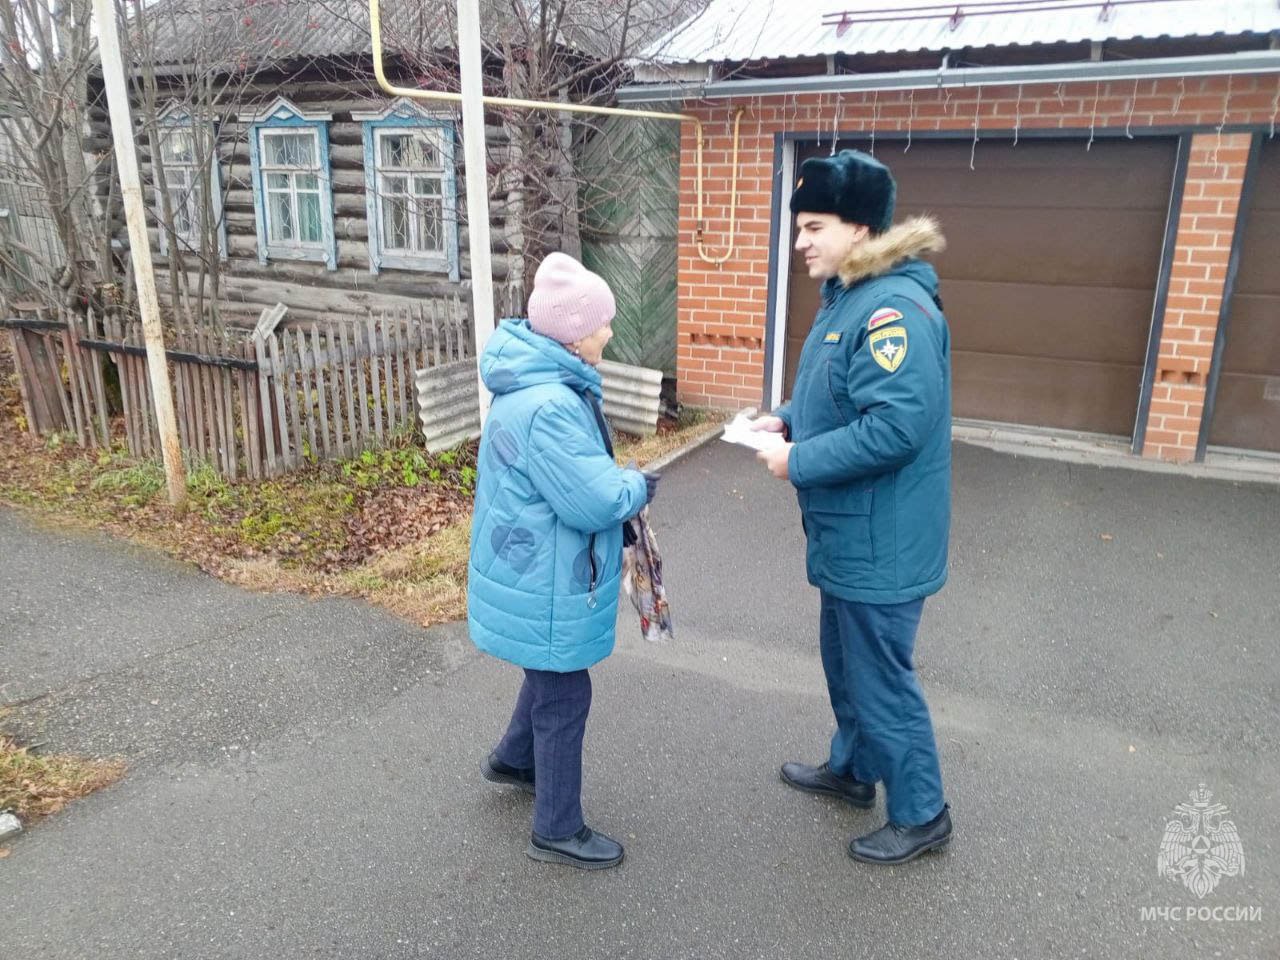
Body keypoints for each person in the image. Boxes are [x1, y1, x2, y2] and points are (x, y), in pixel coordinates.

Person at [752, 149, 954, 865]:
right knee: (846, 663)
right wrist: (786, 419)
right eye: (798, 226)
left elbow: (896, 427)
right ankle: (853, 769)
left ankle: (923, 812)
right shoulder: (849, 298)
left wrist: (796, 460)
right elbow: (838, 399)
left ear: (860, 228)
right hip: (851, 534)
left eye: (813, 226)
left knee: (879, 676)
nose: (800, 240)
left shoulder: (892, 308)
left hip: (882, 540)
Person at [468, 252, 658, 871]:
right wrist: (638, 485)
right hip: (546, 578)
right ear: (575, 334)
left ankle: (513, 760)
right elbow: (594, 498)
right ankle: (556, 828)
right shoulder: (550, 404)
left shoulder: (533, 384)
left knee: (547, 674)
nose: (609, 332)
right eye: (603, 323)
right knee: (564, 694)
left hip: (529, 571)